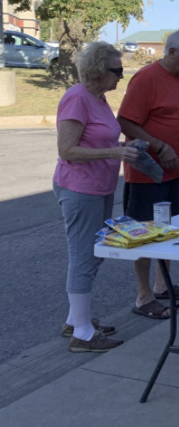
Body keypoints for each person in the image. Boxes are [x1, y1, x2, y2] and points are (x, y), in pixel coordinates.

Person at [54, 42, 138, 353]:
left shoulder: (98, 98)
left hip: (99, 188)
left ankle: (76, 320)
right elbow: (67, 150)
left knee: (94, 255)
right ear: (98, 71)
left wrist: (125, 149)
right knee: (84, 258)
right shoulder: (77, 98)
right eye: (117, 70)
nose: (122, 76)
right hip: (79, 189)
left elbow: (100, 136)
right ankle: (83, 334)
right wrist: (115, 150)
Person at [118, 29, 179, 320]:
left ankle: (162, 286)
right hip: (147, 174)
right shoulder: (146, 79)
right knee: (144, 232)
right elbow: (126, 121)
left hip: (177, 170)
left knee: (171, 230)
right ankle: (143, 296)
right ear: (171, 53)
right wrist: (159, 146)